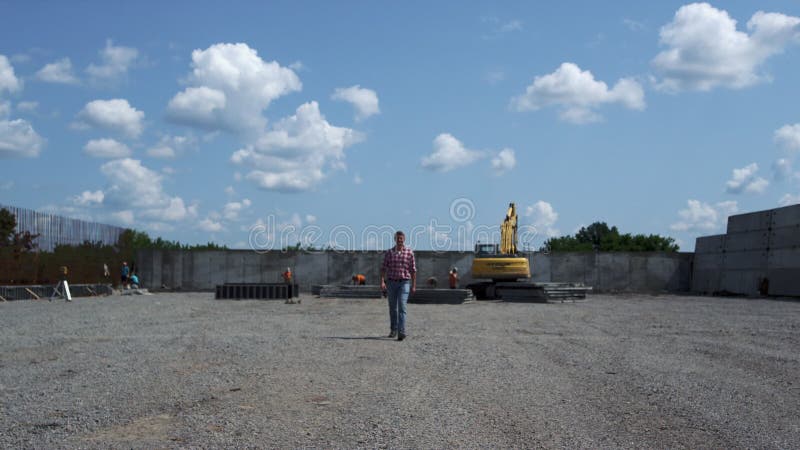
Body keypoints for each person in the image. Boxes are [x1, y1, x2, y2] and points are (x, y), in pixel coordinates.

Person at [380, 231, 416, 341]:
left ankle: (401, 331)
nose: (400, 240)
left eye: (401, 238)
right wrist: (382, 281)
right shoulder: (389, 253)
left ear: (404, 239)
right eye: (398, 238)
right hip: (391, 283)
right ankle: (393, 329)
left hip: (404, 283)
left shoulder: (409, 253)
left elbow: (413, 270)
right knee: (392, 308)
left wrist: (414, 285)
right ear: (395, 239)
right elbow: (384, 268)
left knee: (402, 306)